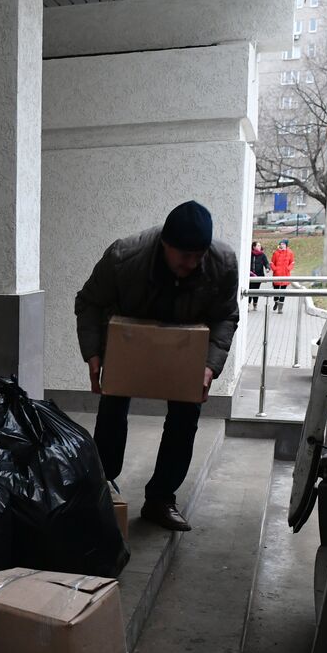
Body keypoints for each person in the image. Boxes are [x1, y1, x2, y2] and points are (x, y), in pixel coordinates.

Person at [75, 200, 239, 532]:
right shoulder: (124, 257)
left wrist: (209, 366)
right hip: (130, 344)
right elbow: (89, 302)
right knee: (112, 407)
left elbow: (225, 317)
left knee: (185, 416)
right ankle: (103, 487)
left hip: (183, 349)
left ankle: (161, 499)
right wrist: (93, 355)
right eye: (184, 256)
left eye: (199, 256)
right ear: (165, 243)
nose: (192, 264)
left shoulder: (222, 263)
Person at [270, 238, 295, 312]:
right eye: (281, 244)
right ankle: (276, 301)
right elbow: (272, 263)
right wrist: (275, 269)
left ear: (286, 245)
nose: (282, 245)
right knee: (276, 291)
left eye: (283, 244)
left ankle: (280, 309)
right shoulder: (276, 253)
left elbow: (292, 263)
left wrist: (288, 268)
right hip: (276, 275)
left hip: (285, 275)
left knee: (283, 292)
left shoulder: (290, 253)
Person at [248, 241, 269, 311]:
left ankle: (255, 304)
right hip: (250, 275)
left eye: (260, 245)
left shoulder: (262, 255)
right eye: (258, 245)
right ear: (254, 247)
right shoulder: (249, 254)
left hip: (258, 275)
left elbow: (266, 263)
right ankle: (248, 304)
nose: (259, 247)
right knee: (249, 289)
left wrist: (267, 268)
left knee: (256, 290)